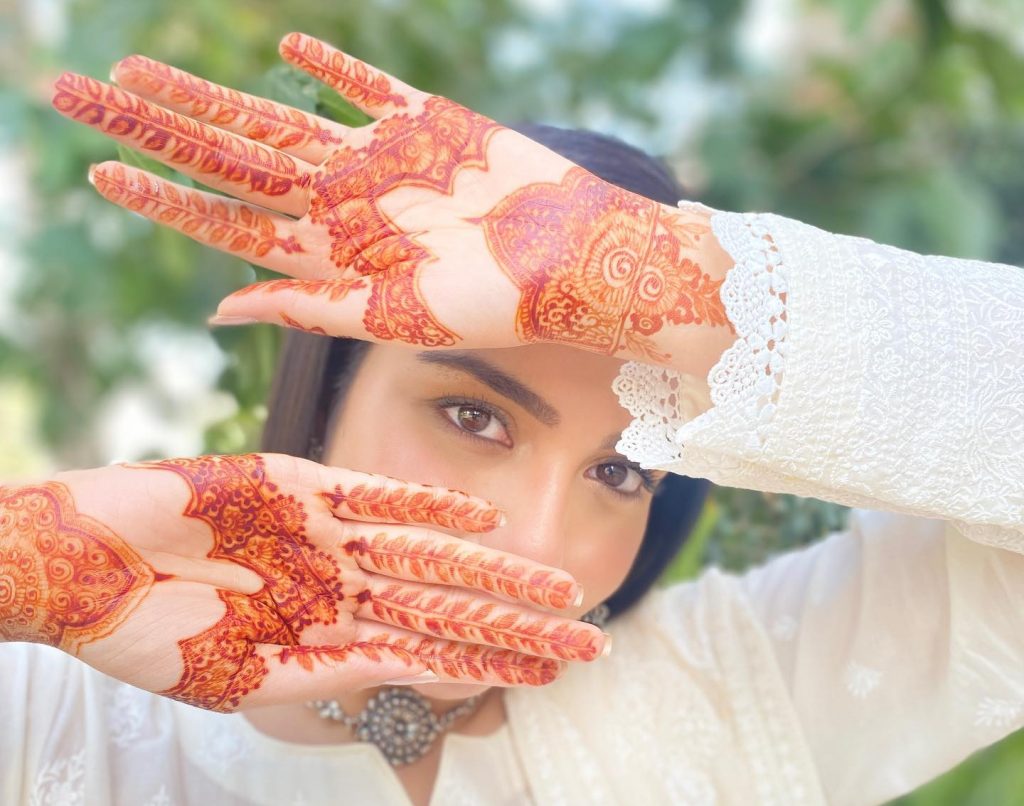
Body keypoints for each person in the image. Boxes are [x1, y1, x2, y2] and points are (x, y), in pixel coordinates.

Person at [3, 30, 1022, 805]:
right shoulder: (55, 703)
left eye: (620, 471)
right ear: (330, 388)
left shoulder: (739, 686)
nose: (539, 548)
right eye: (472, 415)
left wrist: (680, 288)